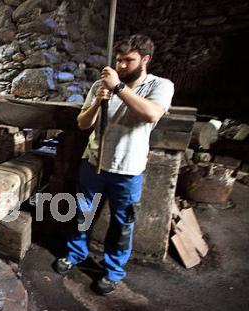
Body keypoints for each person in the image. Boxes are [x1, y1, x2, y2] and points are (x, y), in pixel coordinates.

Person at [55, 34, 174, 295]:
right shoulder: (102, 84)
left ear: (145, 60)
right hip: (94, 163)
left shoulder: (160, 85)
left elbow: (151, 113)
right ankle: (74, 254)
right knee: (82, 215)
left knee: (122, 225)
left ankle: (113, 271)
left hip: (129, 171)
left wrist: (119, 87)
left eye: (128, 61)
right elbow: (83, 124)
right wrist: (99, 99)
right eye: (119, 60)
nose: (121, 66)